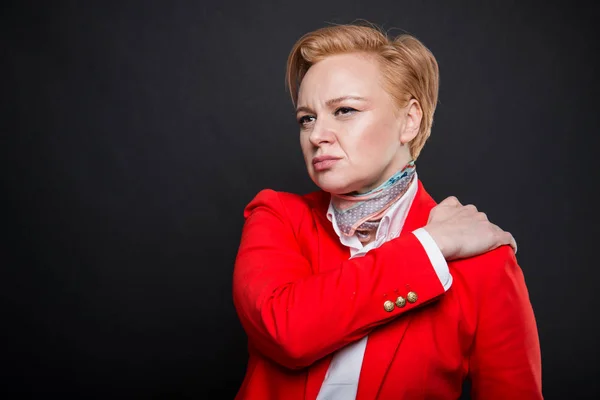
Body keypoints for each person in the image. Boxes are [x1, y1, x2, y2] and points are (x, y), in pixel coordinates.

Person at [232, 23, 541, 399]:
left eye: (344, 110)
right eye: (307, 118)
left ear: (409, 120)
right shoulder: (276, 216)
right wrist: (429, 246)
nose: (316, 135)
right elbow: (286, 330)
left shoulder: (484, 261)